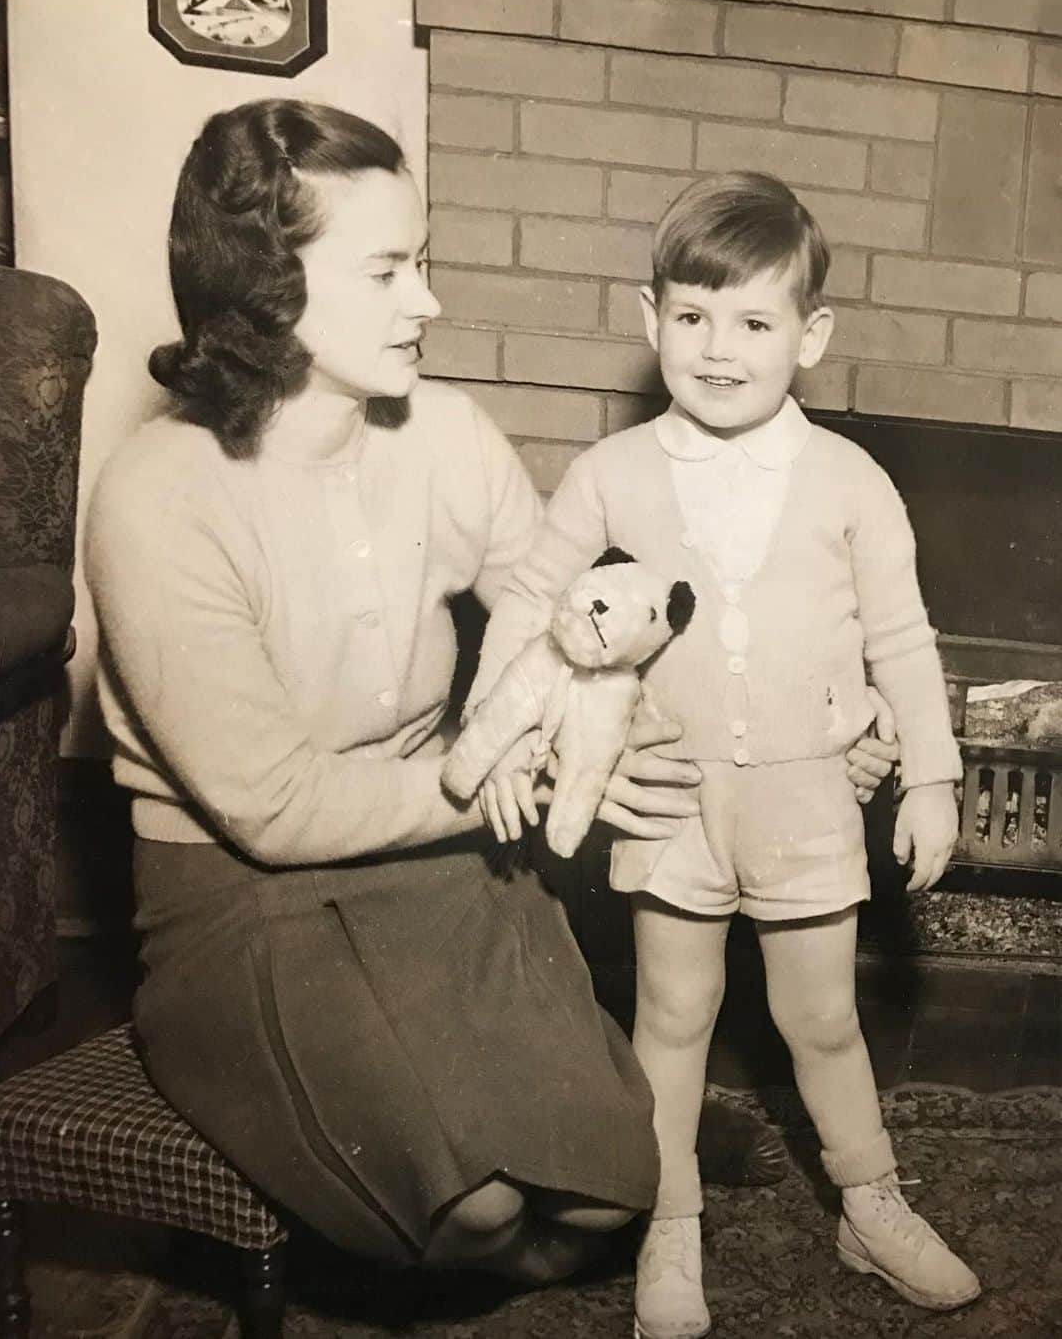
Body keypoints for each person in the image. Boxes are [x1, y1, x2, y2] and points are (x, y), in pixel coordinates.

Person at [86, 102, 892, 1290]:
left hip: (443, 856)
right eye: (388, 271)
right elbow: (273, 809)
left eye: (426, 261)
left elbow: (588, 625)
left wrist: (805, 732)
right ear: (265, 284)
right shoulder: (159, 497)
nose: (429, 303)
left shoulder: (444, 435)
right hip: (240, 899)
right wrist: (543, 774)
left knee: (611, 1190)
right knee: (471, 1208)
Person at [463, 171, 980, 1337]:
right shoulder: (613, 473)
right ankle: (669, 1227)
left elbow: (902, 635)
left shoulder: (853, 481)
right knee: (675, 1018)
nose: (719, 347)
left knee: (824, 1021)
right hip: (674, 806)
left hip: (806, 809)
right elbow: (536, 599)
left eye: (755, 321)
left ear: (811, 337)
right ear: (650, 322)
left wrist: (935, 773)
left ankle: (870, 1198)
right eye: (692, 317)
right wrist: (509, 727)